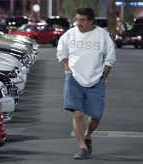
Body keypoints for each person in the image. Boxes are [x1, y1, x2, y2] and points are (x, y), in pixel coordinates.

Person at [56, 7, 116, 159]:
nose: (78, 23)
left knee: (95, 116)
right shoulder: (69, 34)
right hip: (74, 78)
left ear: (91, 21)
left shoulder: (102, 34)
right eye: (76, 19)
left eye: (82, 20)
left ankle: (88, 136)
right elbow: (61, 53)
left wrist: (105, 73)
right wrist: (67, 67)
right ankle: (82, 147)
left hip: (96, 79)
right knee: (77, 114)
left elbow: (110, 56)